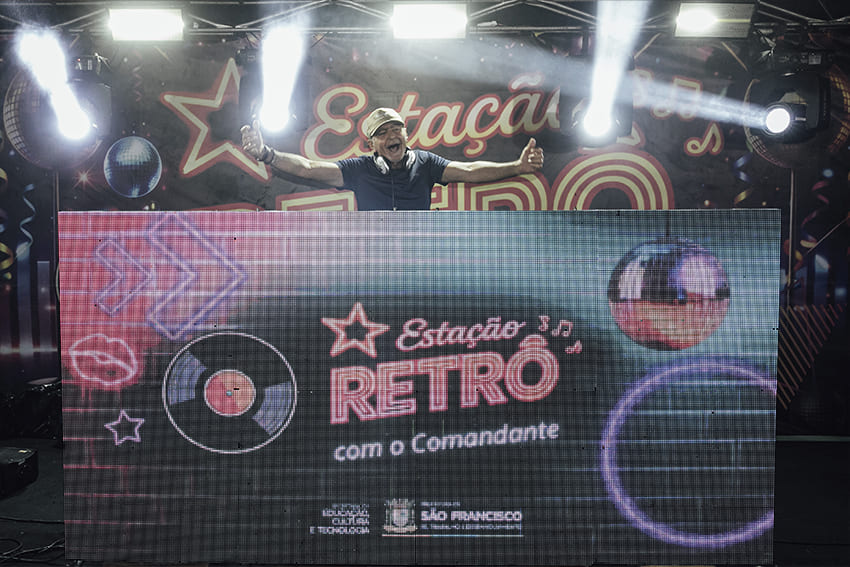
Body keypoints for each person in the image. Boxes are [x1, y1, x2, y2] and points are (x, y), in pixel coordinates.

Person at [240, 107, 544, 210]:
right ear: (372, 144)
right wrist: (266, 154)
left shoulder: (425, 163)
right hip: (374, 259)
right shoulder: (359, 168)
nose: (391, 136)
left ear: (406, 134)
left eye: (396, 129)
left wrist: (517, 167)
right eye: (382, 133)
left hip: (419, 258)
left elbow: (469, 170)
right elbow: (308, 168)